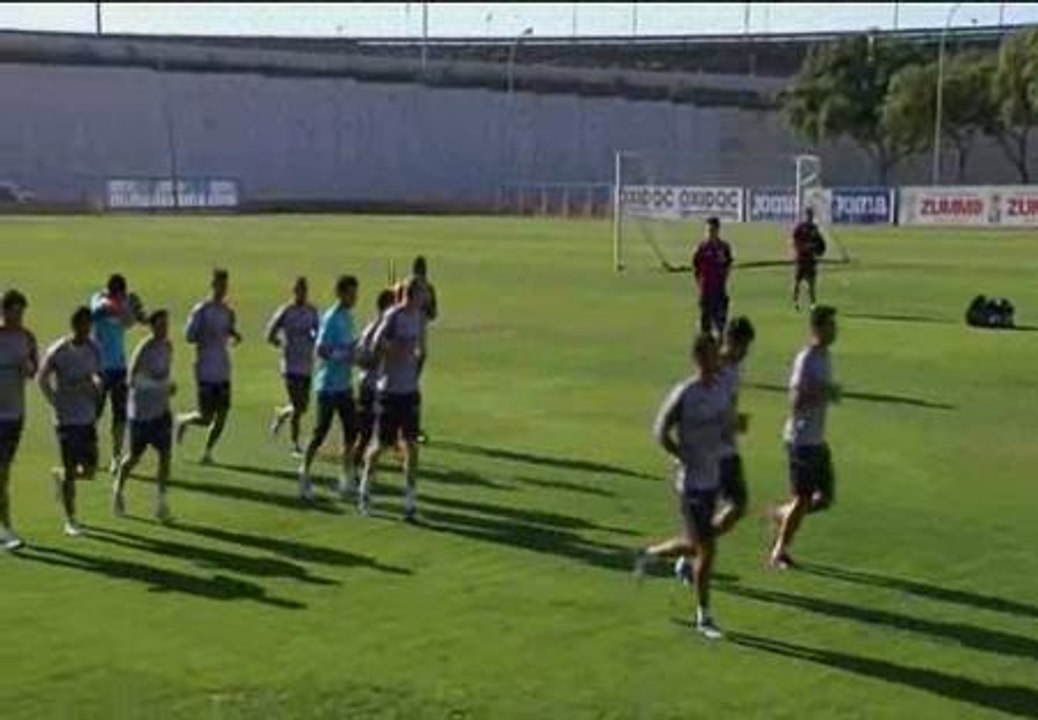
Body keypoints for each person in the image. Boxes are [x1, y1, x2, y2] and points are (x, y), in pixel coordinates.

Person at [634, 334, 734, 640]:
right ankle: (704, 617)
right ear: (701, 358)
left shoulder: (721, 390)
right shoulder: (686, 393)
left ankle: (650, 555)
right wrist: (679, 454)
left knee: (694, 545)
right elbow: (660, 429)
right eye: (714, 354)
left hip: (712, 476)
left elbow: (726, 426)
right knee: (707, 548)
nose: (719, 359)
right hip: (690, 483)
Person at [769, 305, 840, 570]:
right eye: (830, 325)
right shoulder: (807, 358)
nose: (835, 330)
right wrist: (823, 393)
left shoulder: (826, 356)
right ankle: (779, 552)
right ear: (817, 328)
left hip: (816, 439)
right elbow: (795, 401)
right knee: (803, 498)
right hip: (801, 440)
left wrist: (825, 393)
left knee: (825, 498)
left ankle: (783, 514)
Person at [359, 277, 426, 521]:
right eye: (423, 293)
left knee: (411, 445)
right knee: (381, 445)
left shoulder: (419, 318)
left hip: (409, 390)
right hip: (389, 390)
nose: (425, 297)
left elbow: (420, 348)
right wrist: (396, 350)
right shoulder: (393, 316)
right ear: (412, 294)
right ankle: (365, 490)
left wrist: (417, 363)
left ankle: (410, 501)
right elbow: (376, 345)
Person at [38, 306, 103, 537]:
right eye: (83, 324)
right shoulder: (59, 350)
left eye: (89, 324)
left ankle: (62, 476)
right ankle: (71, 519)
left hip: (87, 416)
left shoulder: (94, 348)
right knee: (70, 466)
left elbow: (97, 374)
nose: (86, 329)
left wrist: (96, 385)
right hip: (66, 419)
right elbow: (42, 376)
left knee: (90, 470)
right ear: (74, 325)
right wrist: (53, 400)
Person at [298, 275, 360, 502]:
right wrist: (344, 355)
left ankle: (346, 478)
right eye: (351, 294)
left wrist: (356, 350)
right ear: (341, 294)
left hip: (344, 385)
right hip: (328, 386)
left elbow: (349, 345)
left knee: (352, 430)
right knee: (320, 432)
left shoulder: (348, 317)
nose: (354, 298)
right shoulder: (331, 318)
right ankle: (304, 472)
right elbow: (321, 350)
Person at [113, 310, 176, 523]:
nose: (165, 329)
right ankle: (118, 490)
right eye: (161, 325)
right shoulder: (144, 348)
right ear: (152, 326)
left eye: (166, 324)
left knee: (165, 456)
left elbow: (164, 374)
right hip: (141, 414)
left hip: (161, 411)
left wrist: (168, 386)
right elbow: (131, 380)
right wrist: (160, 386)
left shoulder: (168, 346)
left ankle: (161, 504)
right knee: (133, 457)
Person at [176, 269, 242, 465]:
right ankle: (184, 420)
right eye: (219, 284)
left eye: (225, 285)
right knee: (206, 418)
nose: (222, 289)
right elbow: (189, 336)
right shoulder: (202, 310)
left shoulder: (228, 311)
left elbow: (229, 330)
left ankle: (207, 452)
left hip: (222, 368)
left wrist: (235, 335)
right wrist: (203, 334)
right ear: (212, 285)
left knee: (222, 414)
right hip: (205, 369)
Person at [90, 273, 146, 473]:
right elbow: (99, 311)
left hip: (119, 367)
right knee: (93, 414)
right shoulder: (99, 299)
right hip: (98, 367)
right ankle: (89, 452)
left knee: (120, 415)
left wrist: (132, 310)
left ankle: (116, 456)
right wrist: (127, 306)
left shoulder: (123, 304)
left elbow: (132, 321)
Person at [0, 290, 38, 550]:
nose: (19, 318)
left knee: (4, 473)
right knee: (1, 474)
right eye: (15, 313)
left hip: (15, 415)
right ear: (3, 311)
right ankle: (6, 530)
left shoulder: (27, 337)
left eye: (22, 313)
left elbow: (34, 370)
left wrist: (28, 368)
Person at [265, 277, 320, 456]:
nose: (301, 294)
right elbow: (270, 332)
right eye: (298, 290)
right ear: (294, 291)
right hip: (290, 365)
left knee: (302, 406)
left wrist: (314, 340)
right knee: (297, 406)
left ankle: (282, 414)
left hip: (306, 364)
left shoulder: (311, 311)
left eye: (304, 290)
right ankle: (295, 445)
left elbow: (319, 332)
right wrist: (280, 343)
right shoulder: (286, 311)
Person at [353, 288, 397, 472]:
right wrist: (376, 358)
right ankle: (353, 469)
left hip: (384, 388)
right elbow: (360, 357)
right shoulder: (373, 329)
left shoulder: (392, 330)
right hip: (369, 387)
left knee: (381, 434)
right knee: (365, 433)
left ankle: (364, 469)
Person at [692, 217, 734, 337]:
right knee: (705, 326)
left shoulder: (724, 247)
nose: (709, 233)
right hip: (705, 291)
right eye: (707, 230)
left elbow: (728, 265)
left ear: (717, 230)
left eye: (712, 230)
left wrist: (723, 279)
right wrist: (700, 284)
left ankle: (720, 343)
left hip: (720, 291)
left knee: (721, 325)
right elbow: (695, 268)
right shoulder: (701, 248)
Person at [791, 207, 826, 311]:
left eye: (811, 215)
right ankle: (796, 301)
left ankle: (812, 303)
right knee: (797, 282)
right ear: (805, 216)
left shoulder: (814, 228)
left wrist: (819, 249)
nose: (809, 217)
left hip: (811, 259)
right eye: (808, 215)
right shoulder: (800, 227)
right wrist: (802, 247)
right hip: (801, 259)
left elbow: (820, 242)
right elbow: (794, 240)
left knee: (811, 283)